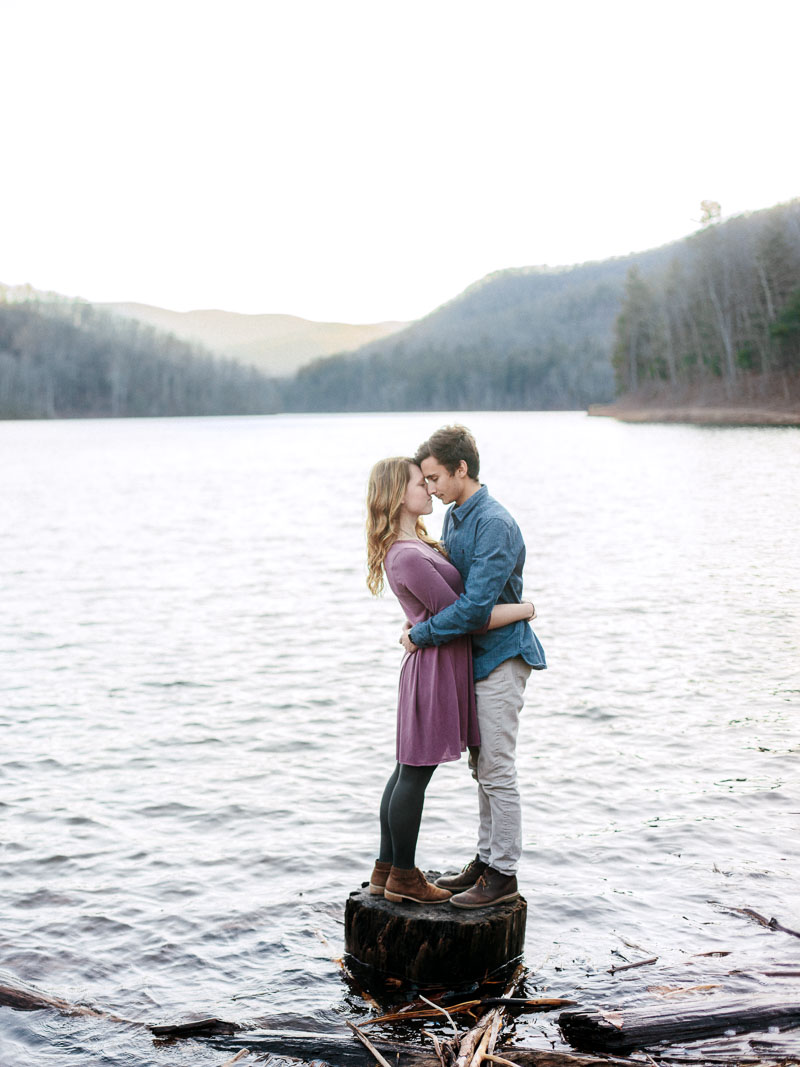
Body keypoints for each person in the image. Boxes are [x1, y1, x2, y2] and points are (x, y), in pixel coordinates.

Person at [365, 457, 536, 905]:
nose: (428, 489)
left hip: (436, 665)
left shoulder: (415, 543)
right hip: (434, 669)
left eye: (430, 480)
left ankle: (387, 869)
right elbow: (465, 617)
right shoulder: (406, 554)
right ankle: (402, 874)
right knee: (413, 773)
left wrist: (414, 629)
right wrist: (525, 609)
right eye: (420, 483)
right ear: (398, 495)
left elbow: (446, 612)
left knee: (408, 770)